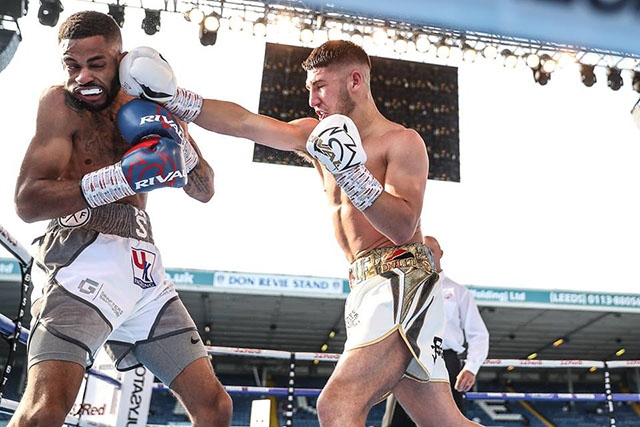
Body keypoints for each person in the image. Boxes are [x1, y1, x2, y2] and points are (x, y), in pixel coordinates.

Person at [120, 40, 482, 426]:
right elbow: (244, 123)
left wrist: (353, 174)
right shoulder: (316, 137)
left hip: (401, 280)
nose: (312, 99)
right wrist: (175, 97)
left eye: (320, 86)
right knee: (445, 423)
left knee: (337, 405)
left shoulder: (402, 142)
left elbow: (402, 226)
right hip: (364, 287)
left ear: (355, 80)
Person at [11, 11, 232, 427]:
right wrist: (114, 180)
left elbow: (204, 190)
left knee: (215, 408)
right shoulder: (60, 105)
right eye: (72, 65)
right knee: (44, 412)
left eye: (97, 64)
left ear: (121, 58)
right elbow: (27, 201)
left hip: (143, 265)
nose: (83, 77)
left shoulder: (149, 99)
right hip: (81, 255)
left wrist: (180, 142)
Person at [382, 235, 490, 425]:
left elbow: (478, 334)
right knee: (395, 422)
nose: (427, 255)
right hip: (408, 359)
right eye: (422, 251)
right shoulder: (402, 288)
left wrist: (471, 368)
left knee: (449, 423)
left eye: (430, 251)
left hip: (446, 360)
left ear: (441, 253)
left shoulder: (458, 292)